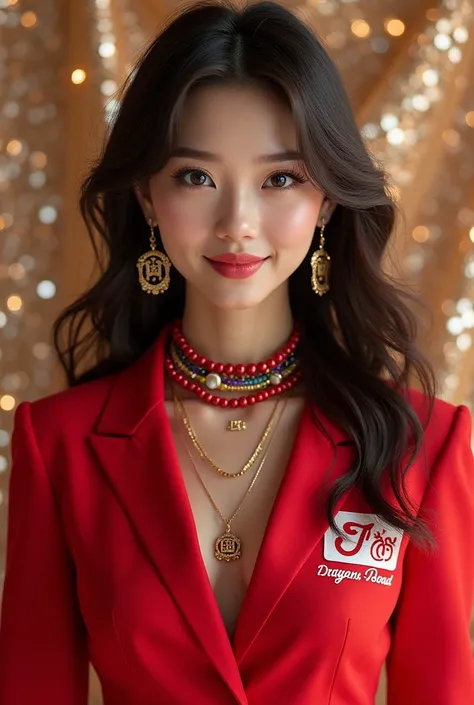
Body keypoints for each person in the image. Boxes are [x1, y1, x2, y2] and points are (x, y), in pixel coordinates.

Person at [0, 1, 473, 703]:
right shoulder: (60, 444)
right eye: (196, 176)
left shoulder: (421, 445)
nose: (238, 224)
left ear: (328, 204)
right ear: (148, 195)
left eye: (280, 178)